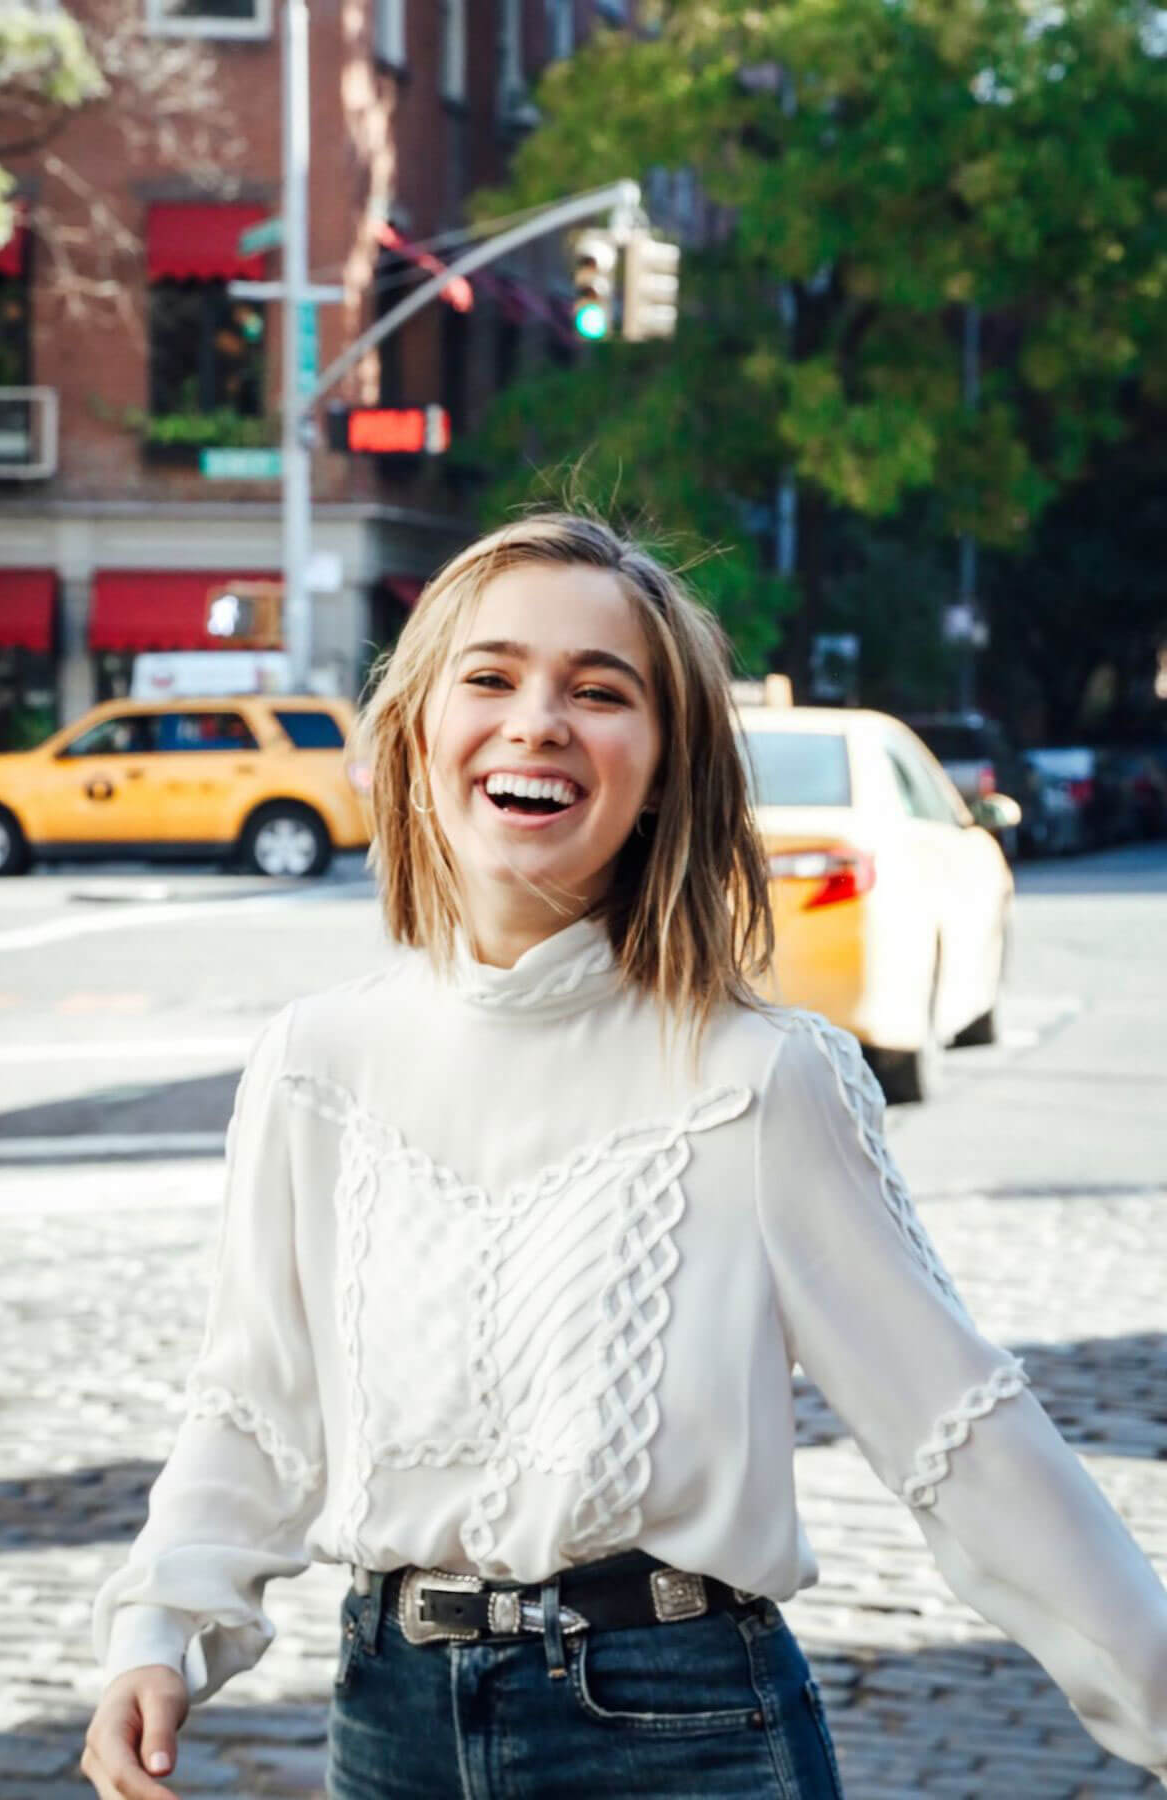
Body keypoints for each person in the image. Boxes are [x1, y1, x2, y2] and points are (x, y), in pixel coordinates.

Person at [83, 514, 1167, 1800]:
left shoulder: (765, 1076)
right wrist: (159, 1633)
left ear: (663, 768)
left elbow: (958, 1435)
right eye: (490, 677)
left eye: (600, 693)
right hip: (392, 1726)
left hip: (686, 1729)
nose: (537, 719)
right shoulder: (315, 1062)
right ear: (418, 728)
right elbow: (255, 1408)